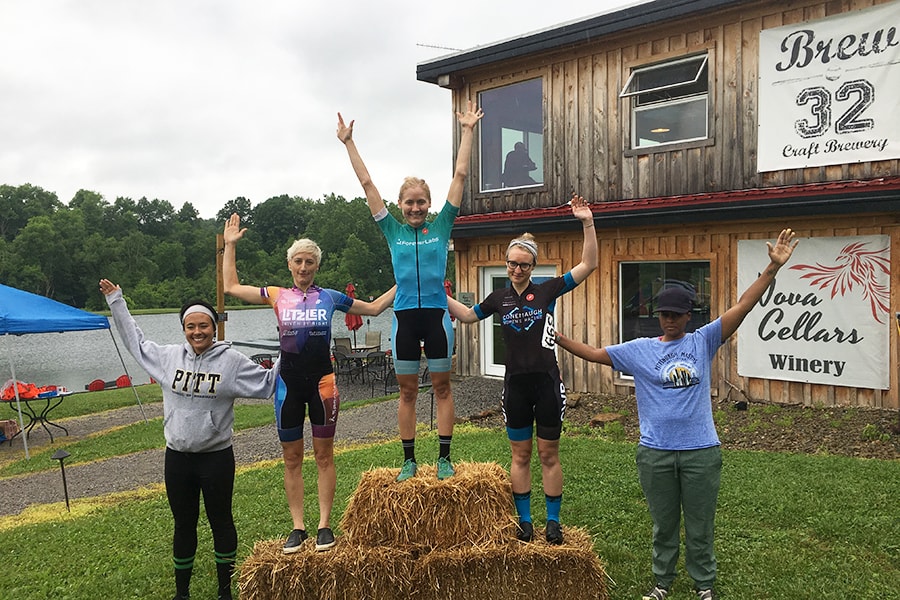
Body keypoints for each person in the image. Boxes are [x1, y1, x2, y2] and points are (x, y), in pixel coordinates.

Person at [555, 228, 799, 600]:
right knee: (664, 524)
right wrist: (557, 338)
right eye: (664, 313)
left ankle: (704, 584)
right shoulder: (639, 349)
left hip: (701, 451)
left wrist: (771, 268)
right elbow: (594, 354)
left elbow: (744, 306)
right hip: (655, 452)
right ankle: (661, 583)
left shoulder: (703, 341)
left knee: (700, 525)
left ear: (688, 316)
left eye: (676, 314)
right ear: (657, 315)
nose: (669, 319)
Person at [222, 214, 396, 554]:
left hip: (323, 384)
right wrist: (229, 246)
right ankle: (298, 527)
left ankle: (324, 526)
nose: (304, 267)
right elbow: (231, 287)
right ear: (289, 264)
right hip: (287, 385)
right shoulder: (276, 295)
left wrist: (404, 280)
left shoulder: (330, 297)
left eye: (310, 262)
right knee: (291, 458)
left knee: (324, 455)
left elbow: (374, 308)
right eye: (299, 261)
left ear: (317, 266)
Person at [99, 279, 280, 600]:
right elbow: (136, 343)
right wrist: (116, 301)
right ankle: (181, 593)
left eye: (204, 326)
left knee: (221, 521)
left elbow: (267, 384)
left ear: (214, 327)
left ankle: (226, 592)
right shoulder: (168, 358)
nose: (198, 332)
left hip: (216, 458)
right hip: (178, 458)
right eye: (191, 326)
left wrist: (291, 341)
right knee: (184, 525)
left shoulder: (232, 362)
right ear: (184, 329)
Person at [336, 100, 484, 482]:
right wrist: (349, 143)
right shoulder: (392, 231)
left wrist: (467, 131)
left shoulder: (441, 226)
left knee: (442, 388)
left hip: (436, 317)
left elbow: (461, 175)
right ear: (400, 205)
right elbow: (367, 184)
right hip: (404, 319)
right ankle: (408, 460)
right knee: (406, 393)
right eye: (409, 202)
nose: (415, 208)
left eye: (421, 202)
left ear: (429, 204)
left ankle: (445, 458)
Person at [447, 193, 597, 545]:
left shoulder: (546, 291)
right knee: (521, 454)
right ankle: (526, 521)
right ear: (506, 264)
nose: (516, 270)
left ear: (533, 267)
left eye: (524, 265)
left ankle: (554, 522)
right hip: (515, 385)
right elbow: (468, 316)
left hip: (546, 383)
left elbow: (588, 264)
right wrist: (441, 294)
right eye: (512, 264)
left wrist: (587, 222)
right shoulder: (498, 299)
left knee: (548, 453)